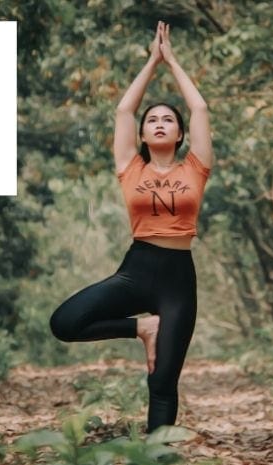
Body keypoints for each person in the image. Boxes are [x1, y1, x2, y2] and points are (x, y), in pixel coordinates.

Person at [49, 20, 213, 433]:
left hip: (178, 278)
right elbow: (123, 109)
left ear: (179, 135)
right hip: (137, 270)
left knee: (162, 382)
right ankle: (143, 328)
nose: (159, 122)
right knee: (65, 323)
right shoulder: (130, 168)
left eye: (168, 120)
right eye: (152, 119)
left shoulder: (195, 168)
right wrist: (151, 62)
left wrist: (173, 61)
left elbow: (200, 109)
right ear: (141, 133)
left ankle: (155, 458)